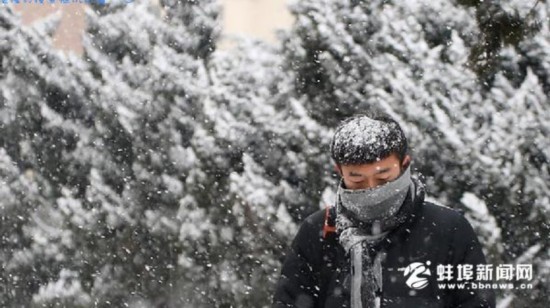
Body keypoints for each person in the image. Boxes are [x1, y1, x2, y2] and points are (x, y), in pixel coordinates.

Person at [272, 114, 495, 308]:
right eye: (357, 180)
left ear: (405, 165)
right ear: (339, 171)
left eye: (383, 178)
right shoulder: (319, 232)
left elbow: (477, 302)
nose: (372, 190)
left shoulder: (449, 230)